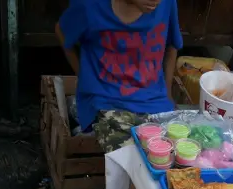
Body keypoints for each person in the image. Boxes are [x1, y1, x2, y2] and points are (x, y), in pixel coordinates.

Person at [56, 0, 182, 152]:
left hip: (155, 100)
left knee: (174, 154)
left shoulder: (167, 4)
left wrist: (167, 94)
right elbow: (61, 31)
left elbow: (172, 45)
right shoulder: (89, 5)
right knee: (134, 158)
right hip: (107, 100)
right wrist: (84, 77)